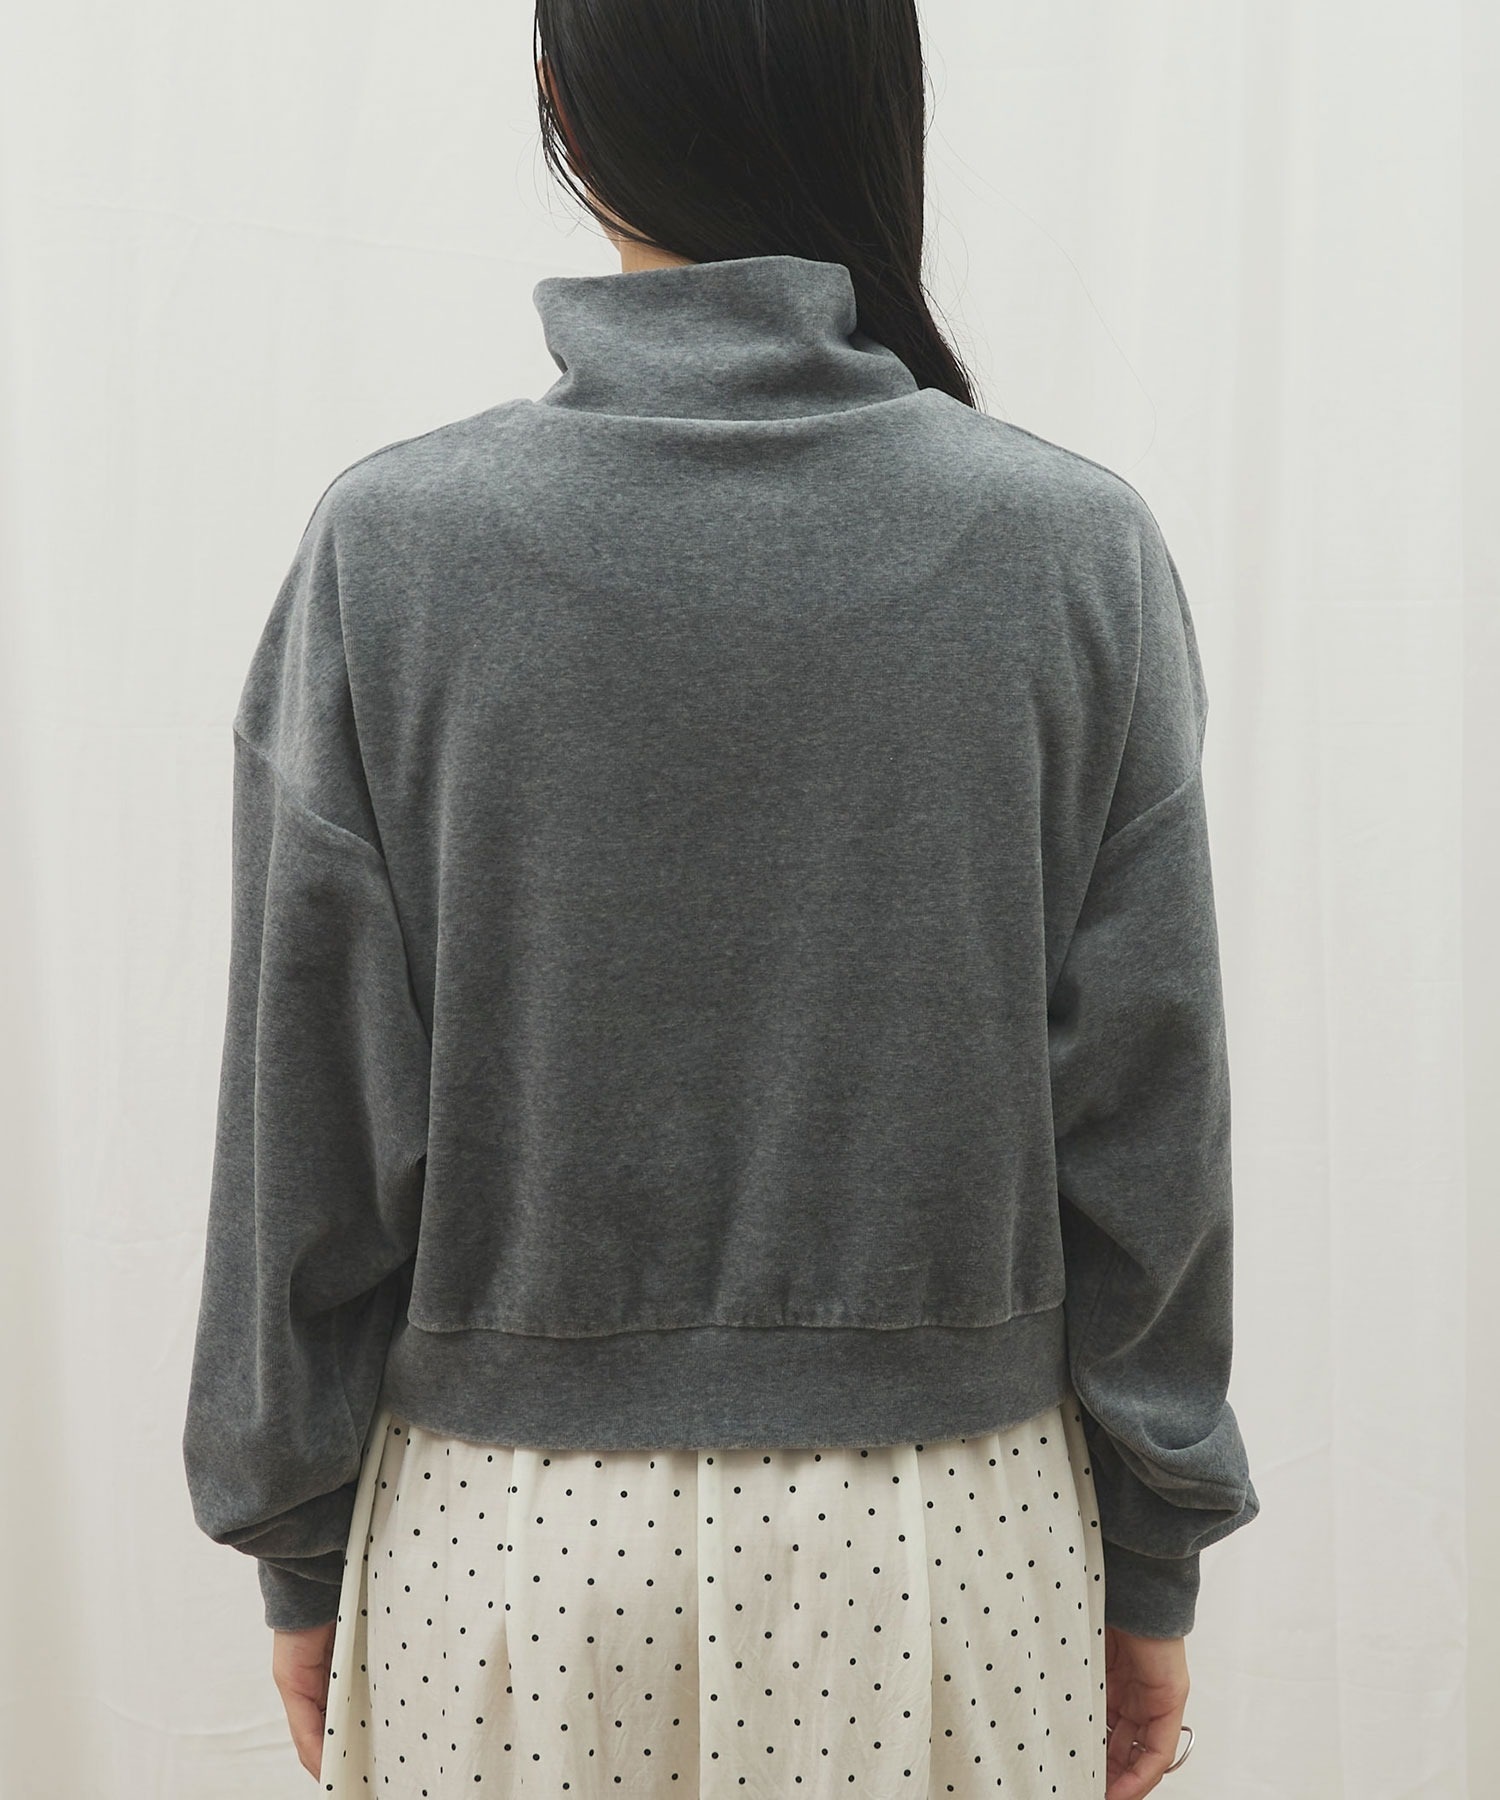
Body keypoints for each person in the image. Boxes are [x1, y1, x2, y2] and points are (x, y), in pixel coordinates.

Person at [182, 3, 1260, 1796]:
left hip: (508, 1551)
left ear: (563, 101)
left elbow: (309, 1112)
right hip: (950, 1543)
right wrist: (1153, 1550)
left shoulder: (394, 549)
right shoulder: (1071, 550)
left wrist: (293, 1533)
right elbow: (1152, 1120)